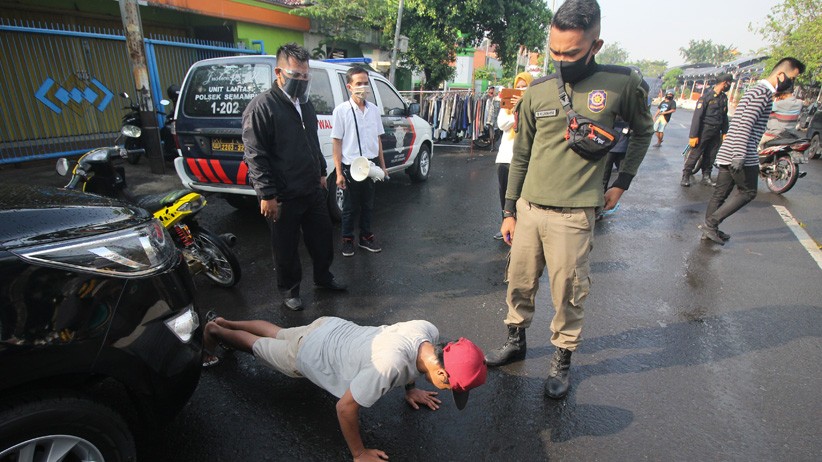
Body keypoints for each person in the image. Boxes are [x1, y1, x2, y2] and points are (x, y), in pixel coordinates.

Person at [484, 0, 653, 399]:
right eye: (555, 51)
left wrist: (621, 182)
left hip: (575, 214)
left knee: (568, 292)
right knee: (519, 283)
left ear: (596, 44)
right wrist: (509, 211)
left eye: (572, 53)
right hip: (528, 210)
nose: (561, 60)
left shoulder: (622, 84)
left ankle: (562, 360)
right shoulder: (539, 90)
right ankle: (515, 340)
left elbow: (643, 132)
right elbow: (521, 153)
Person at [202, 314, 487, 461]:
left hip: (330, 327)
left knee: (277, 332)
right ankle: (216, 331)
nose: (450, 393)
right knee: (257, 346)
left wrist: (410, 389)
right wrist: (359, 454)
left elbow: (414, 359)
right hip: (311, 355)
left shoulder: (428, 331)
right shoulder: (387, 366)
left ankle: (225, 319)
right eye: (451, 387)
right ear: (441, 371)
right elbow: (345, 408)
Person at [243, 43, 347, 312]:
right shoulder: (262, 107)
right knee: (286, 247)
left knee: (322, 237)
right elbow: (256, 155)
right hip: (283, 195)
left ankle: (324, 278)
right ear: (279, 72)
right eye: (295, 75)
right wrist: (267, 195)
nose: (301, 81)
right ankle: (290, 290)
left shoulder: (305, 104)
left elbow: (311, 142)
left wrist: (322, 174)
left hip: (311, 188)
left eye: (305, 75)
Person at [700, 58, 805, 245]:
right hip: (741, 152)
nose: (791, 83)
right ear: (781, 75)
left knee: (720, 194)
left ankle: (710, 228)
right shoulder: (762, 93)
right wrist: (740, 154)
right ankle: (711, 223)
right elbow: (745, 125)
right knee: (748, 192)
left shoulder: (756, 90)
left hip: (729, 150)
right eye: (791, 78)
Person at [331, 66, 388, 257]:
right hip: (351, 167)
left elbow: (378, 139)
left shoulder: (373, 110)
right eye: (358, 84)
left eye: (366, 83)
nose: (363, 87)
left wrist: (383, 166)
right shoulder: (341, 111)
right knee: (349, 207)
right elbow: (337, 143)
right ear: (349, 86)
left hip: (370, 166)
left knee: (368, 205)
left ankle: (366, 238)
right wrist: (339, 173)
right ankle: (347, 240)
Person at [493, 72, 534, 240]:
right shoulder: (506, 107)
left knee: (523, 196)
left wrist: (524, 108)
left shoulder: (533, 104)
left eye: (525, 86)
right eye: (519, 86)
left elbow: (534, 124)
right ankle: (506, 225)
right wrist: (518, 110)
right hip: (505, 157)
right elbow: (502, 124)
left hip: (525, 159)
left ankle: (523, 229)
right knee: (505, 194)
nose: (521, 89)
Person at [682, 74, 733, 187]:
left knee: (711, 155)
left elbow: (724, 117)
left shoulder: (723, 98)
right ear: (724, 83)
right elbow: (697, 117)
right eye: (729, 83)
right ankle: (685, 176)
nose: (729, 85)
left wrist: (725, 132)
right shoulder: (706, 97)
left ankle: (706, 177)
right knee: (695, 154)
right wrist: (693, 135)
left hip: (716, 131)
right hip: (704, 130)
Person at [759, 82, 803, 149]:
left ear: (783, 93)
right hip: (790, 136)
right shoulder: (799, 103)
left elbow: (762, 107)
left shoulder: (778, 104)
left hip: (773, 135)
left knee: (753, 146)